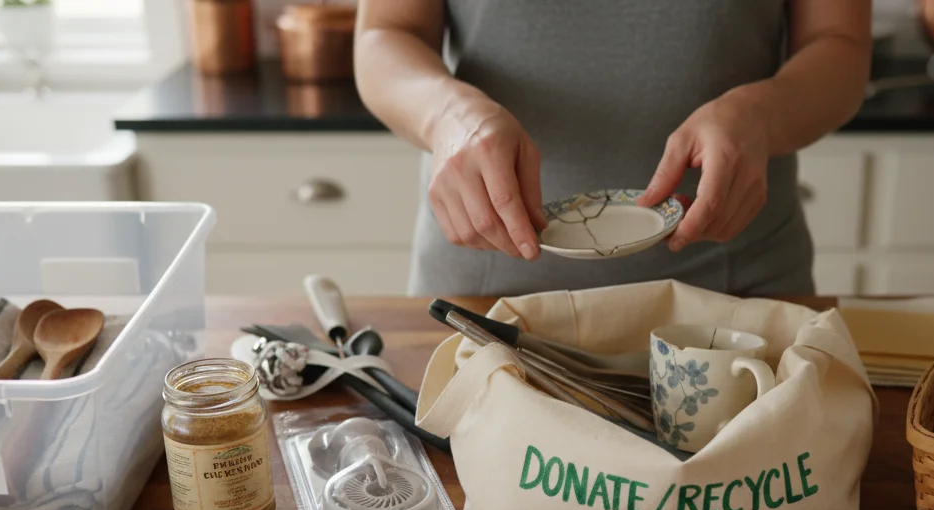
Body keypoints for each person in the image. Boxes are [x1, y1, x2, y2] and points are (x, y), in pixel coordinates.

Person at [356, 1, 871, 297]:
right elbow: (385, 31)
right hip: (490, 297)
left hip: (737, 297)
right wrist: (448, 117)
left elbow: (839, 43)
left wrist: (763, 114)